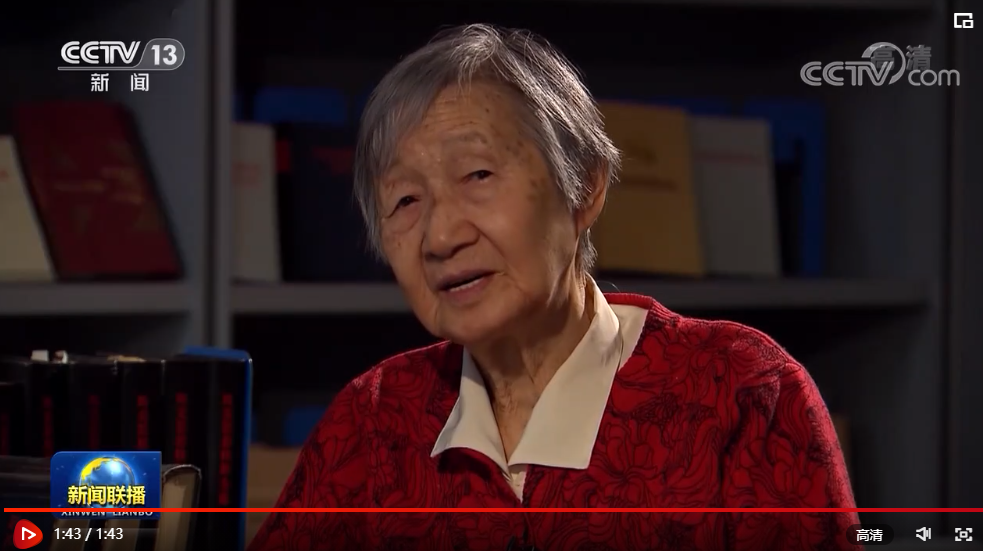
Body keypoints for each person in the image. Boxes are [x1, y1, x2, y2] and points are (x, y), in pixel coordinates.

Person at [248, 23, 859, 551]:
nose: (439, 236)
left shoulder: (745, 393)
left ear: (585, 187)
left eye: (477, 174)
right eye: (405, 200)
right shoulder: (371, 421)